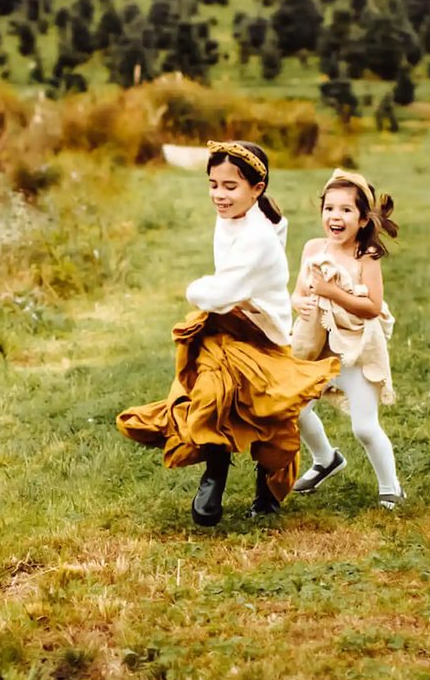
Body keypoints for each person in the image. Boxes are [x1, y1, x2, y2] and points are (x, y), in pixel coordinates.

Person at [118, 141, 339, 527]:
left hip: (261, 335)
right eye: (213, 184)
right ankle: (214, 474)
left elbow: (219, 291)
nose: (219, 195)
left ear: (257, 189)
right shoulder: (236, 216)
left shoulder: (258, 238)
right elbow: (225, 294)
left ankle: (267, 491)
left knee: (271, 416)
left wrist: (193, 289)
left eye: (230, 186)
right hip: (227, 322)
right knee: (210, 389)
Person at [289, 169, 402, 509]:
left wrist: (331, 292)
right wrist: (303, 301)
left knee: (364, 428)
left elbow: (372, 307)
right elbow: (296, 293)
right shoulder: (313, 248)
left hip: (355, 351)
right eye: (329, 209)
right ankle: (326, 459)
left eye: (346, 210)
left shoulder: (365, 256)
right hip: (315, 348)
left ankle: (390, 486)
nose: (335, 217)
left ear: (364, 219)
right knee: (294, 410)